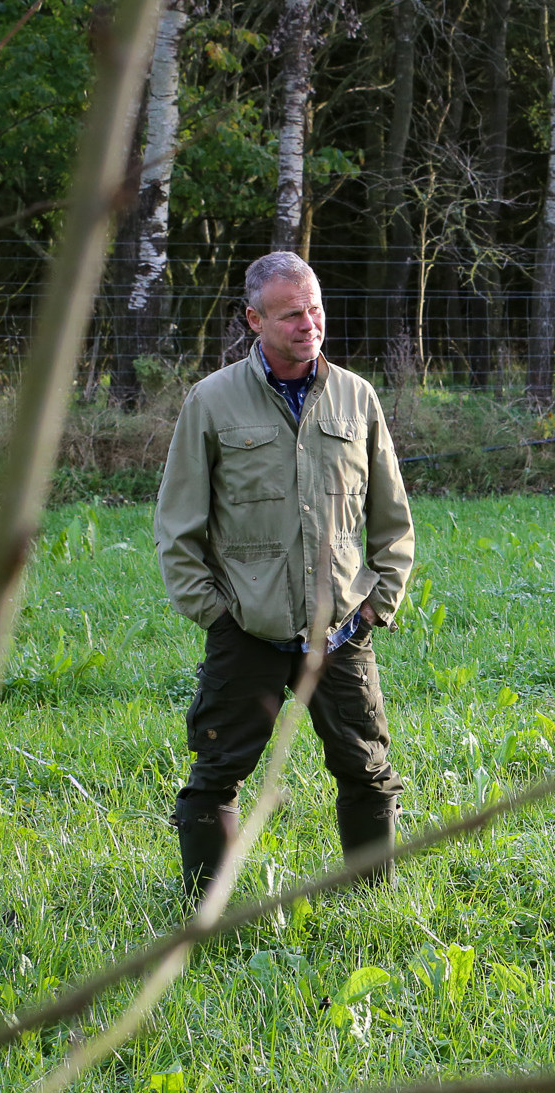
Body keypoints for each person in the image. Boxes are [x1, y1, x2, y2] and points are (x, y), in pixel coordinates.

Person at [154, 251, 415, 903]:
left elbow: (392, 518)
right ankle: (204, 908)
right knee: (215, 773)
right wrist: (215, 613)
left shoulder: (358, 398)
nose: (309, 324)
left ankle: (370, 901)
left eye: (316, 308)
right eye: (292, 313)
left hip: (343, 631)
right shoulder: (210, 404)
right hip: (247, 629)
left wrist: (379, 603)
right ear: (254, 320)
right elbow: (177, 527)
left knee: (368, 770)